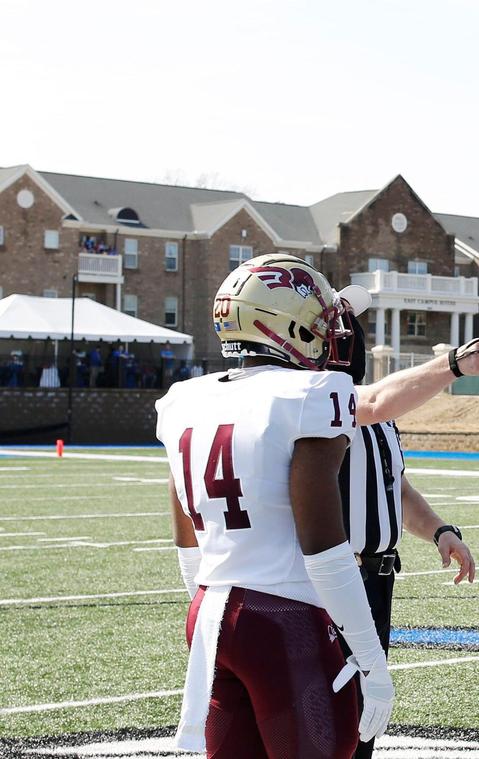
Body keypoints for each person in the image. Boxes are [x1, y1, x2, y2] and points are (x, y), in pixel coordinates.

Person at [155, 254, 394, 758]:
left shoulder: (184, 398)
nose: (330, 333)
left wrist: (211, 610)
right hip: (286, 620)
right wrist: (371, 660)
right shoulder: (312, 393)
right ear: (287, 325)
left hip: (210, 614)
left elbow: (185, 532)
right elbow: (324, 548)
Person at [329, 293, 479, 759]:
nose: (349, 336)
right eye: (339, 328)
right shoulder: (307, 407)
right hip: (326, 582)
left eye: (350, 326)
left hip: (375, 578)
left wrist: (439, 530)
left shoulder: (378, 411)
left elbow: (395, 488)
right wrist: (453, 364)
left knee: (365, 717)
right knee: (322, 716)